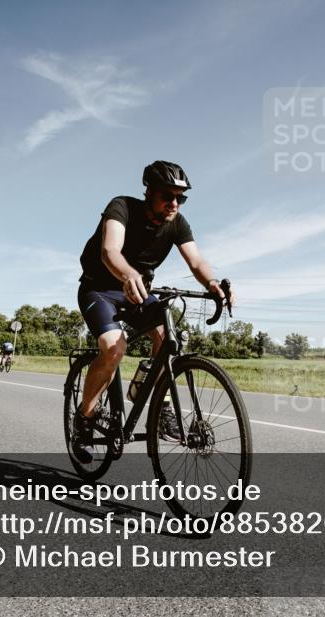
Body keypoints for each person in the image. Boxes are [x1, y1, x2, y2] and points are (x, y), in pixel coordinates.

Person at [74, 160, 234, 461]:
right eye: (167, 196)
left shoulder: (177, 223)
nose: (174, 203)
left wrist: (212, 282)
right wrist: (127, 274)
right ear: (149, 192)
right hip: (100, 289)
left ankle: (153, 400)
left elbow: (196, 262)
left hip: (139, 292)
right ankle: (84, 419)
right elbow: (110, 250)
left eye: (180, 198)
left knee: (168, 339)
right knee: (113, 347)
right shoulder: (121, 207)